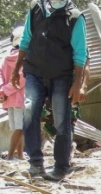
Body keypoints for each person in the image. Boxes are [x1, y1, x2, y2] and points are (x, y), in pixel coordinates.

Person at [12, 0, 88, 181]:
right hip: (34, 72)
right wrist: (16, 69)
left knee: (62, 120)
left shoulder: (75, 17)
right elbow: (26, 39)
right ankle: (35, 163)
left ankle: (61, 166)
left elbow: (81, 53)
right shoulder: (35, 8)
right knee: (29, 111)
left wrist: (78, 84)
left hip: (61, 75)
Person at [0, 27, 26, 161]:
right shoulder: (24, 57)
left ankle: (20, 155)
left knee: (17, 128)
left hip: (9, 98)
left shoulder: (5, 56)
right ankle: (10, 155)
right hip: (20, 98)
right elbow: (21, 79)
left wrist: (2, 91)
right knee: (20, 128)